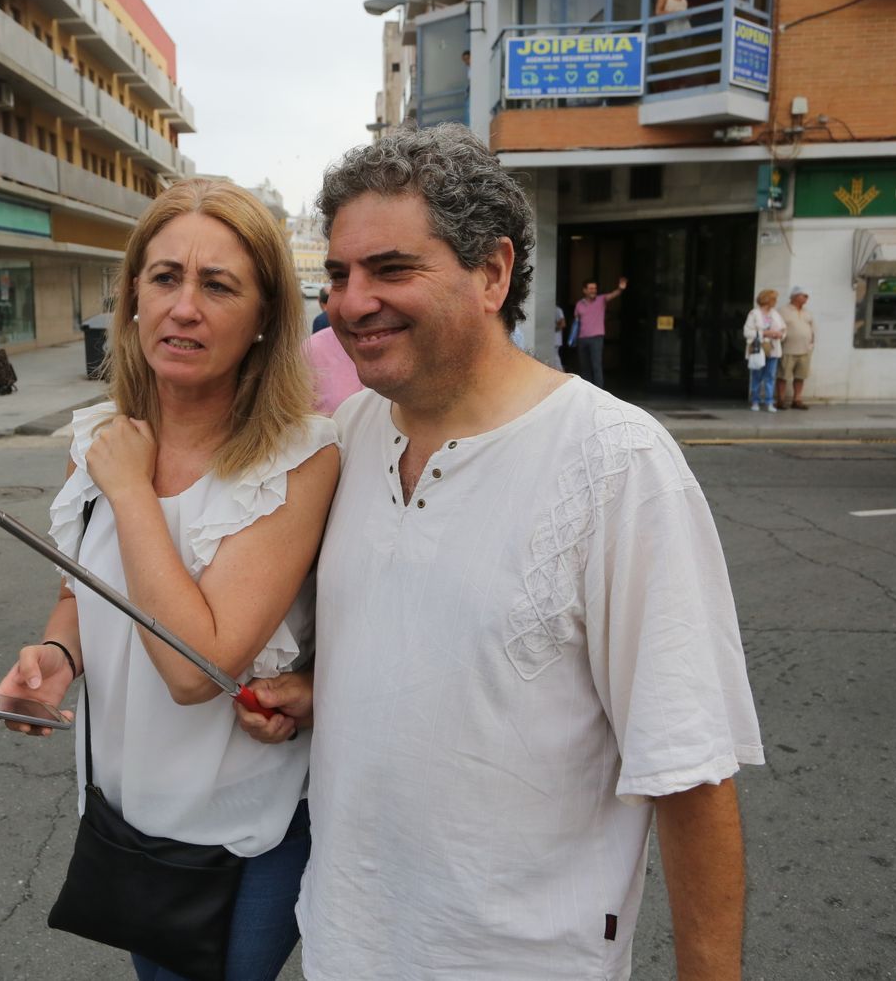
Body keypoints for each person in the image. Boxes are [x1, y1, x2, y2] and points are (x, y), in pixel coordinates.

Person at [236, 125, 762, 981]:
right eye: (338, 274)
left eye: (391, 269)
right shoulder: (352, 434)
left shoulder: (617, 464)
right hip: (345, 945)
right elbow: (428, 650)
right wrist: (316, 689)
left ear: (492, 272)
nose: (351, 301)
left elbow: (690, 775)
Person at [0, 178, 340, 980]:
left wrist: (131, 489)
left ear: (263, 320)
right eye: (164, 278)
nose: (185, 307)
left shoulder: (299, 456)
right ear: (133, 299)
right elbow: (84, 587)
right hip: (127, 809)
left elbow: (194, 667)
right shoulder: (100, 437)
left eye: (218, 285)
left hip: (241, 829)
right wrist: (55, 655)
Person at [572, 275, 627, 389]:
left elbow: (613, 295)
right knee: (585, 367)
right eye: (591, 288)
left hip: (596, 338)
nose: (594, 291)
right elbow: (576, 322)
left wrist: (620, 288)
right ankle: (587, 391)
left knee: (596, 366)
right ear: (585, 290)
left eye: (595, 288)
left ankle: (599, 392)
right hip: (582, 338)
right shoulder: (579, 304)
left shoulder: (601, 300)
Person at [743, 289, 786, 412]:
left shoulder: (775, 314)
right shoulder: (754, 314)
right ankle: (755, 401)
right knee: (757, 375)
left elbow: (783, 329)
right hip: (759, 349)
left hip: (773, 349)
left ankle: (769, 402)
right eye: (774, 299)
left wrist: (780, 335)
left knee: (770, 376)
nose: (776, 302)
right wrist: (765, 333)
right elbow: (747, 332)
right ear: (768, 300)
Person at [776, 286, 814, 410]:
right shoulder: (782, 311)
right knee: (783, 376)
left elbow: (812, 328)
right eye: (804, 295)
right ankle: (780, 400)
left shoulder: (807, 312)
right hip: (788, 349)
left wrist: (811, 343)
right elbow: (777, 327)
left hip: (804, 350)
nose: (806, 298)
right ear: (795, 296)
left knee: (800, 376)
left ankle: (797, 399)